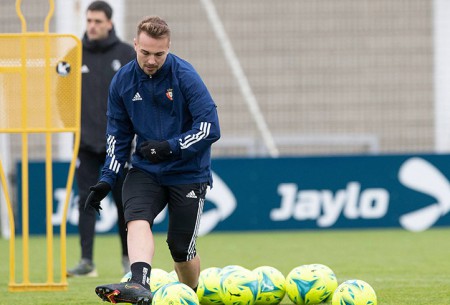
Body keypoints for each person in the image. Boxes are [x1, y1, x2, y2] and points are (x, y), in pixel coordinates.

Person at [85, 16, 220, 304]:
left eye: (159, 54)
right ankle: (139, 283)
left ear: (168, 48)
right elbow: (117, 137)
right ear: (135, 44)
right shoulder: (122, 81)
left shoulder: (185, 75)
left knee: (181, 249)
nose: (151, 60)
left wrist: (170, 147)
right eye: (145, 52)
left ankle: (190, 295)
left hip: (189, 172)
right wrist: (107, 178)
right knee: (135, 217)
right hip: (146, 170)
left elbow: (210, 127)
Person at [67, 1, 135, 277]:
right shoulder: (72, 56)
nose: (92, 26)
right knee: (86, 200)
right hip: (85, 145)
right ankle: (86, 261)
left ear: (109, 22)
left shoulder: (127, 54)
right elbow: (61, 98)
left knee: (124, 204)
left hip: (119, 148)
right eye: (89, 21)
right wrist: (75, 129)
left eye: (97, 21)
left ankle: (128, 260)